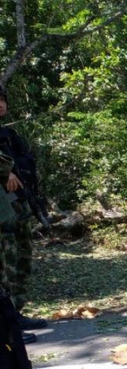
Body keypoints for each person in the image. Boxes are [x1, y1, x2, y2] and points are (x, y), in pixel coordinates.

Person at [0, 83, 47, 344]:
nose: (1, 104)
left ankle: (14, 315)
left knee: (21, 261)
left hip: (16, 207)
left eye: (3, 99)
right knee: (3, 268)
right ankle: (6, 327)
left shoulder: (8, 135)